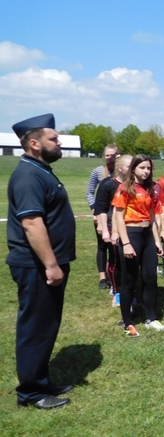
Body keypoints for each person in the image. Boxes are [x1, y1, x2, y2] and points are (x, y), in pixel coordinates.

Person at [7, 114, 75, 409]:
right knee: (35, 327)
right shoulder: (28, 176)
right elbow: (32, 223)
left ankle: (41, 381)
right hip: (35, 266)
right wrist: (50, 264)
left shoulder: (40, 170)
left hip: (46, 264)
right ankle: (31, 392)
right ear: (34, 144)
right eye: (54, 139)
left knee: (46, 324)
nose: (59, 143)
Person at [112, 154, 164, 337]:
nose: (146, 171)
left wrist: (157, 241)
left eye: (148, 168)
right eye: (142, 167)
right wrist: (126, 243)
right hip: (131, 234)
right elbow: (119, 217)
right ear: (133, 169)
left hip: (147, 235)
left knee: (150, 278)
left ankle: (151, 317)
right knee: (129, 281)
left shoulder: (151, 188)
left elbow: (152, 217)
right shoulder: (124, 188)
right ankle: (127, 321)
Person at [95, 154, 133, 307]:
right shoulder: (108, 185)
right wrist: (104, 230)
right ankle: (117, 291)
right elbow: (101, 209)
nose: (132, 168)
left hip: (131, 228)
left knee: (130, 262)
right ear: (120, 168)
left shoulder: (137, 185)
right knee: (116, 260)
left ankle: (129, 290)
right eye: (129, 166)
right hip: (113, 228)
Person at [87, 144, 120, 289]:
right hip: (101, 213)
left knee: (115, 246)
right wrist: (94, 209)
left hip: (117, 214)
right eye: (107, 155)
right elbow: (90, 192)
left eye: (113, 155)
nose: (110, 158)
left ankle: (115, 274)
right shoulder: (98, 171)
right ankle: (102, 277)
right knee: (102, 245)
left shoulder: (123, 171)